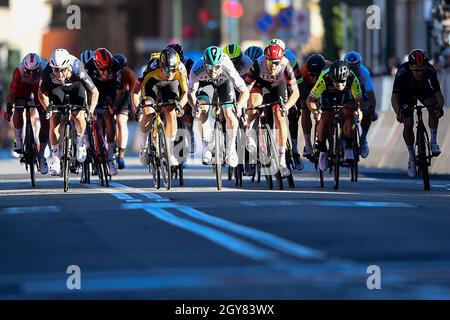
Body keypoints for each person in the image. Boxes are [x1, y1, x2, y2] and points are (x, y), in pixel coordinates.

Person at [38, 48, 99, 176]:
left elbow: (94, 92)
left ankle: (81, 141)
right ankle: (55, 158)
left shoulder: (77, 68)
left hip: (76, 86)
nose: (59, 75)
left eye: (62, 70)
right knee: (55, 119)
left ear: (68, 66)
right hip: (57, 89)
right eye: (56, 70)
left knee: (79, 115)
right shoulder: (48, 71)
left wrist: (91, 111)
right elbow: (41, 93)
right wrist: (47, 107)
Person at [243, 43, 300, 177]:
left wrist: (287, 107)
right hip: (260, 84)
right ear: (265, 59)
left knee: (280, 117)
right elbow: (245, 88)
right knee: (255, 103)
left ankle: (282, 161)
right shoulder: (258, 64)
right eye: (271, 63)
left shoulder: (286, 65)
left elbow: (295, 93)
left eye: (276, 63)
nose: (274, 66)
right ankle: (249, 128)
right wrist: (244, 107)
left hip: (278, 86)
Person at [188, 46, 250, 168]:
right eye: (210, 67)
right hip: (205, 84)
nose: (213, 71)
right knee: (202, 110)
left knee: (229, 114)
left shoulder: (228, 66)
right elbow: (190, 93)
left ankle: (231, 150)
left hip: (224, 83)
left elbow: (245, 91)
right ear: (204, 63)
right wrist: (194, 106)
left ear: (221, 63)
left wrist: (239, 106)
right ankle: (206, 146)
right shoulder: (196, 68)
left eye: (216, 67)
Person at [391, 49, 445, 178]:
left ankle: (433, 141)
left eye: (422, 70)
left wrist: (440, 107)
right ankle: (411, 157)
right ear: (410, 66)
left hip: (423, 90)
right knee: (408, 123)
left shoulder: (430, 70)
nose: (420, 73)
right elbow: (394, 97)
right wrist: (398, 113)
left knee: (433, 108)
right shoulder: (402, 71)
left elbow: (437, 93)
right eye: (416, 70)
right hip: (406, 94)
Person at [132, 47, 188, 166]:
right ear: (161, 66)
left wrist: (180, 106)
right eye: (166, 69)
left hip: (171, 84)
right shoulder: (152, 67)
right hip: (153, 83)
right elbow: (135, 91)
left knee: (171, 112)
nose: (170, 73)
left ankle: (169, 151)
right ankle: (144, 145)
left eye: (173, 70)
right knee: (148, 111)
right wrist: (137, 109)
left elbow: (185, 93)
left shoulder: (181, 70)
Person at [306, 60, 364, 172]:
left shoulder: (352, 79)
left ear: (346, 77)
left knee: (349, 113)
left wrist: (359, 110)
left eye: (342, 81)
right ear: (331, 77)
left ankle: (348, 147)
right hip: (328, 95)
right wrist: (315, 112)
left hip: (346, 96)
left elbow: (359, 99)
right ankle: (323, 150)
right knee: (324, 119)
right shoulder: (324, 78)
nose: (339, 84)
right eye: (336, 81)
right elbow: (310, 99)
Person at [6, 53, 49, 174]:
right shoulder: (18, 71)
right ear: (24, 68)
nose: (30, 74)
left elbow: (49, 92)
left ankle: (41, 156)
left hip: (39, 88)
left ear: (39, 69)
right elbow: (11, 94)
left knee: (45, 118)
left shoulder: (46, 68)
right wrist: (9, 109)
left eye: (34, 71)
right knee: (18, 107)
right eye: (28, 72)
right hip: (23, 87)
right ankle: (18, 140)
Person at [84, 48, 124, 176]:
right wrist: (88, 108)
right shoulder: (88, 67)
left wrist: (114, 105)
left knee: (109, 117)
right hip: (94, 87)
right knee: (91, 114)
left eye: (108, 69)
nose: (106, 72)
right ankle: (91, 144)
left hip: (109, 88)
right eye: (102, 70)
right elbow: (84, 90)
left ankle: (111, 157)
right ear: (96, 66)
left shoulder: (116, 66)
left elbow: (119, 91)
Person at [344, 51, 378, 158]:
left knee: (367, 111)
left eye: (356, 67)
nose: (353, 70)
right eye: (350, 67)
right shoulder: (341, 70)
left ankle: (363, 139)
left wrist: (372, 110)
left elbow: (370, 93)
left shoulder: (364, 72)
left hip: (361, 92)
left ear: (360, 65)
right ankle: (342, 136)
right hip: (345, 91)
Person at [296, 54, 329, 159]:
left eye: (317, 74)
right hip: (306, 86)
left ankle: (328, 142)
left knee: (327, 110)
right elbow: (298, 92)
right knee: (305, 109)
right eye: (312, 75)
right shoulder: (303, 72)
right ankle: (308, 143)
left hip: (324, 84)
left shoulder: (329, 68)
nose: (314, 78)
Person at [113, 53, 136, 169]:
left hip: (125, 98)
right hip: (112, 98)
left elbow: (133, 93)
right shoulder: (109, 73)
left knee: (121, 122)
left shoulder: (129, 74)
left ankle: (121, 154)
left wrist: (133, 108)